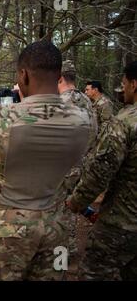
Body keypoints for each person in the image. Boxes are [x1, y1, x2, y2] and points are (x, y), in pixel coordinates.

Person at [0, 41, 94, 280]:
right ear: (59, 76)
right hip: (56, 226)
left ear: (23, 75)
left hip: (9, 228)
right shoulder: (82, 118)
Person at [67, 61, 137, 280]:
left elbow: (101, 170)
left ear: (134, 84)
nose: (121, 88)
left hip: (123, 222)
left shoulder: (125, 123)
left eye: (123, 83)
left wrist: (77, 201)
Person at [57, 61, 97, 260]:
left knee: (61, 214)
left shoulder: (61, 102)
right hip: (83, 163)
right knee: (70, 209)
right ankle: (66, 253)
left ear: (59, 78)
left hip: (64, 166)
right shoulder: (86, 100)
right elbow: (94, 130)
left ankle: (62, 258)